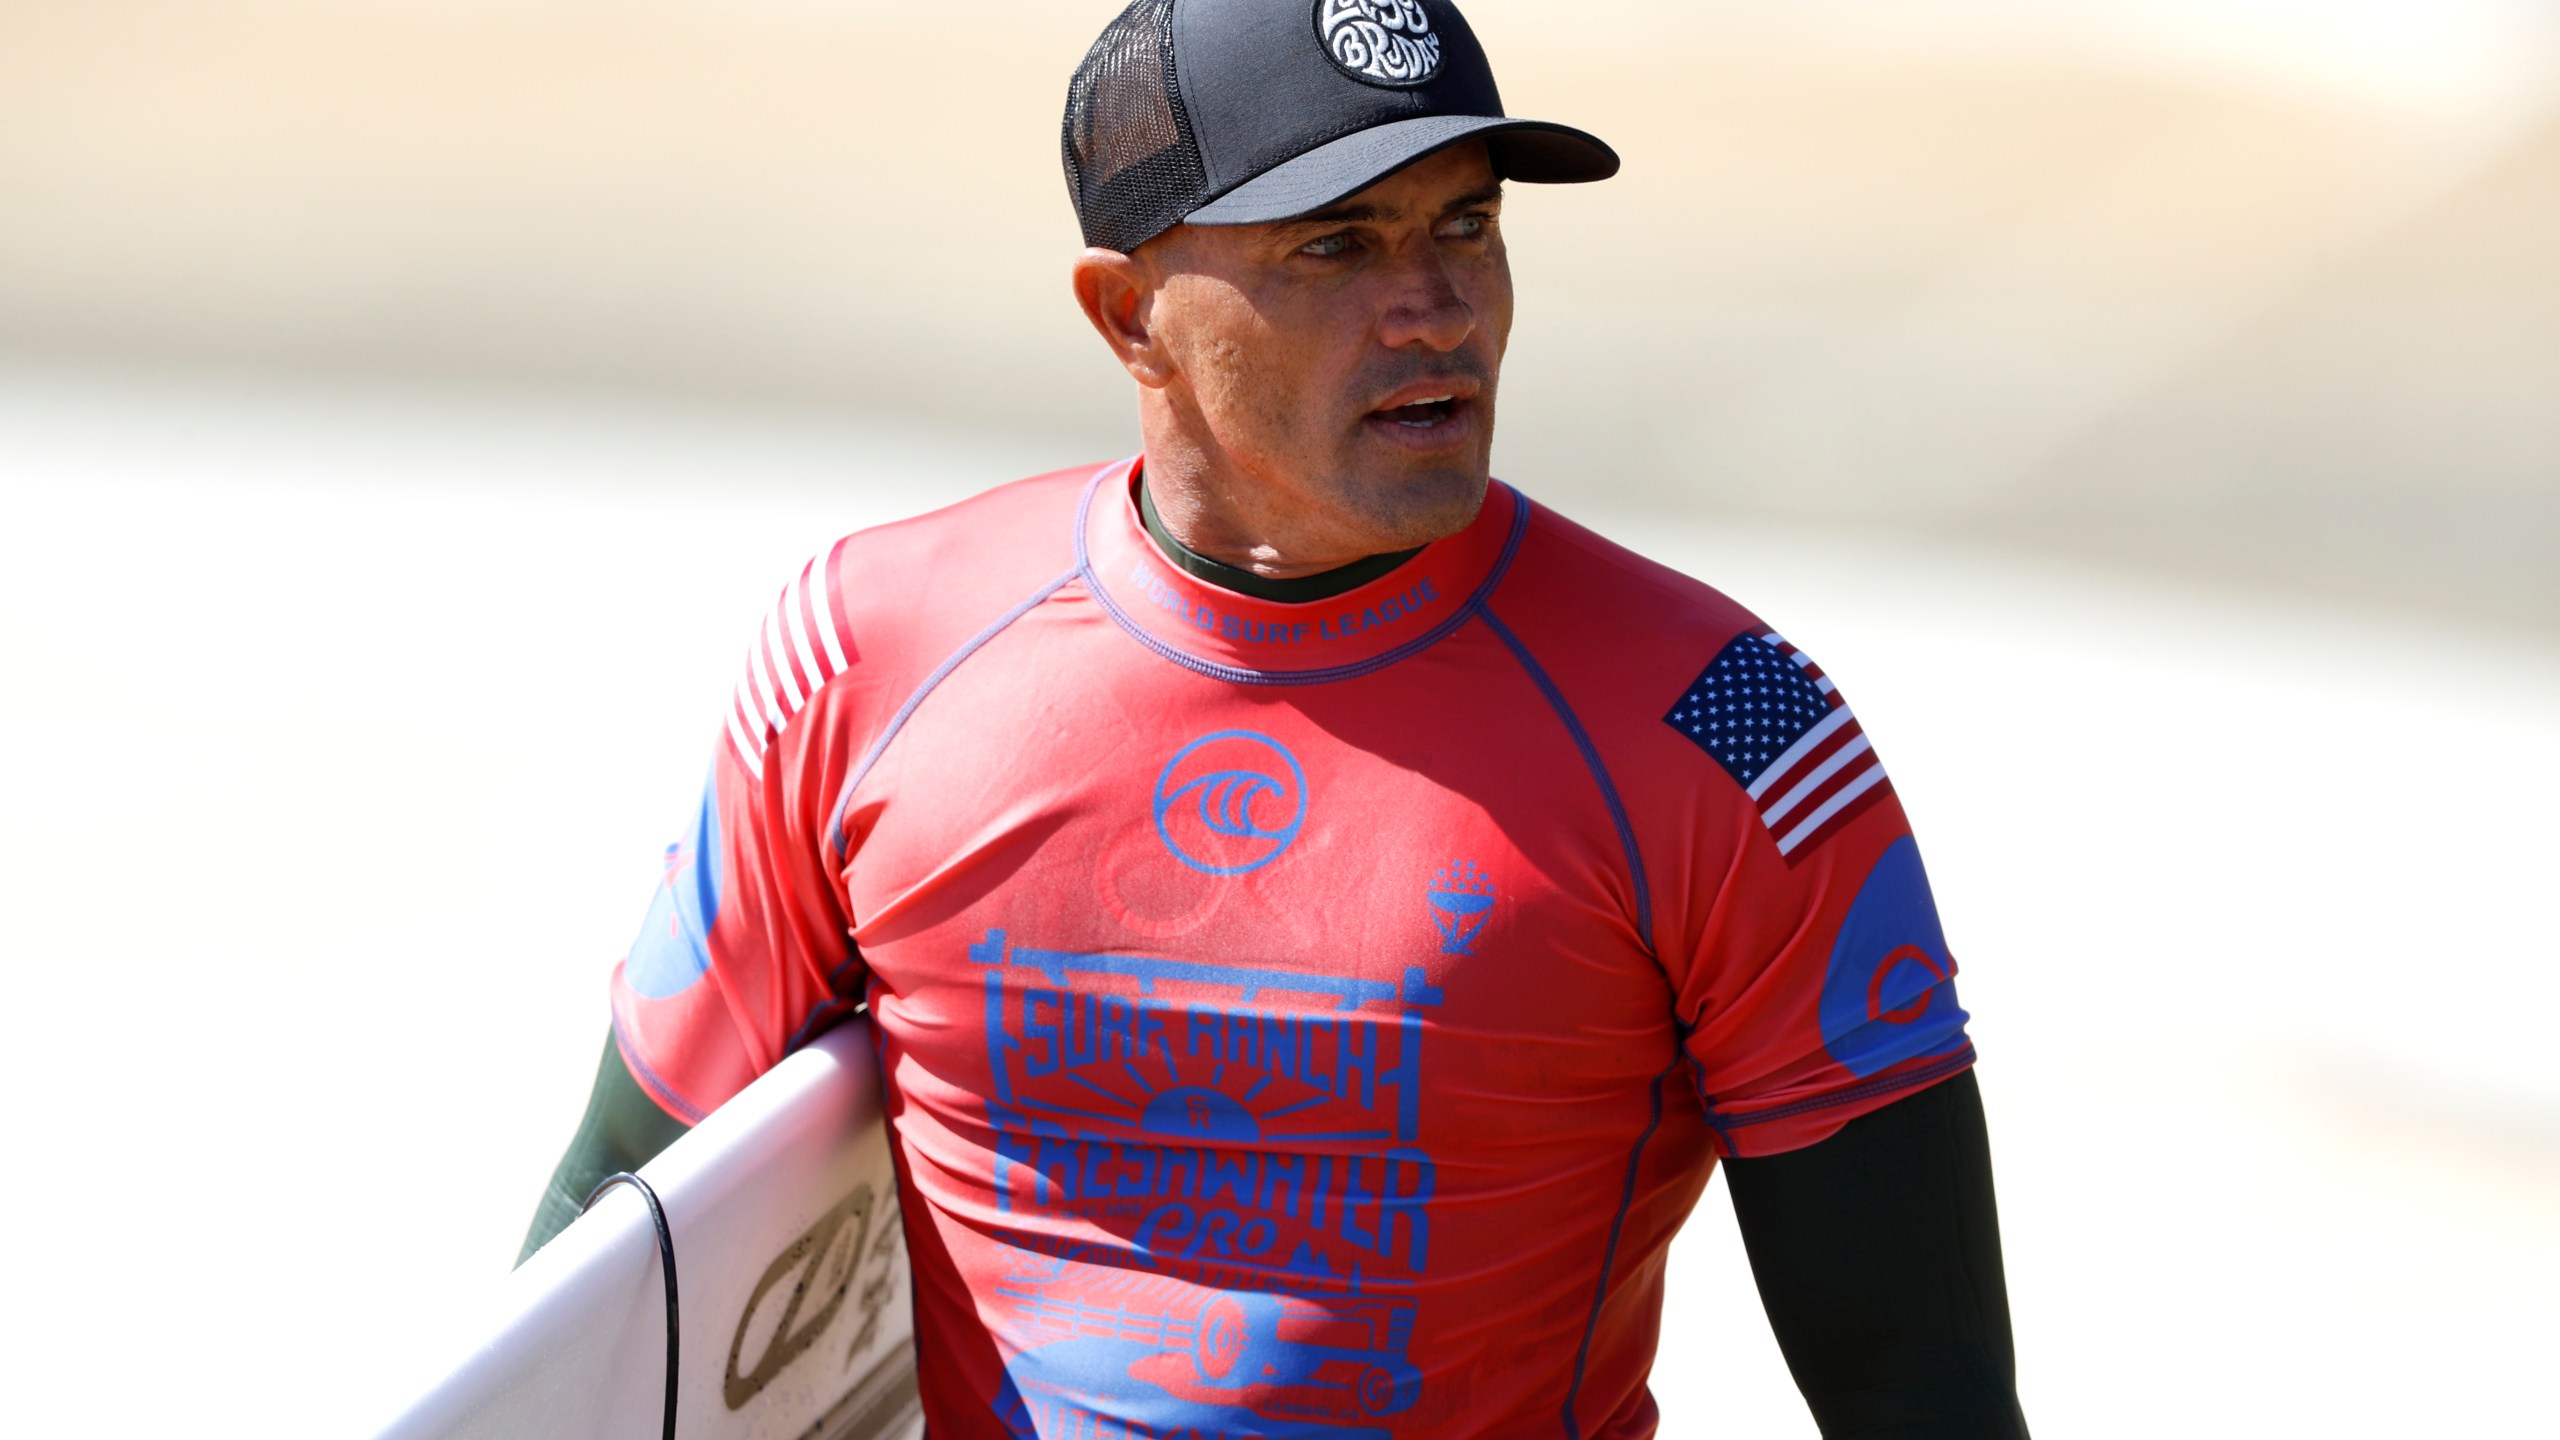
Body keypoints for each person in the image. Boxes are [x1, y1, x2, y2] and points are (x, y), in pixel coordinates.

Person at [521, 2, 2030, 1436]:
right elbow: (605, 1235)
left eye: (1467, 225)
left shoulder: (1731, 731)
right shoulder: (861, 658)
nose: (1437, 309)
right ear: (1130, 317)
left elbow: (1927, 1402)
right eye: (1338, 244)